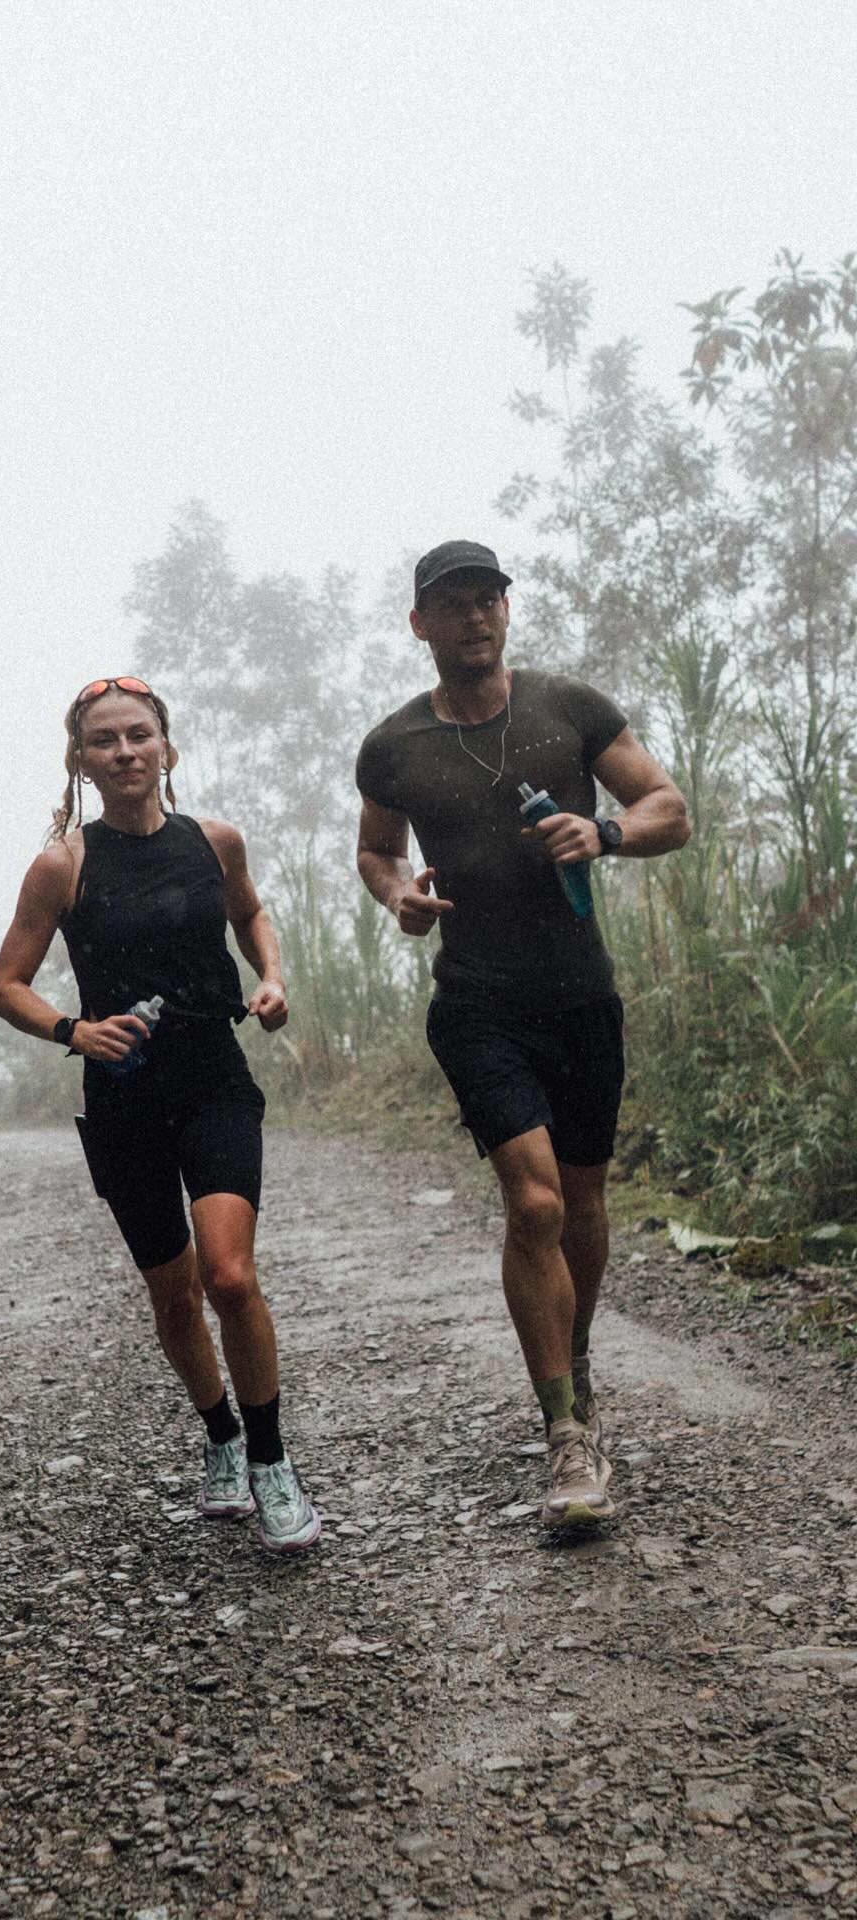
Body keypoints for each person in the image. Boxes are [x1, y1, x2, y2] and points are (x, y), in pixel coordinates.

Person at [355, 543, 690, 1531]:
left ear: (507, 609)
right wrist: (399, 895)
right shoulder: (393, 747)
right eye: (451, 607)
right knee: (535, 1200)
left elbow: (667, 807)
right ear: (419, 624)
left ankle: (574, 1366)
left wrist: (608, 834)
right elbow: (377, 851)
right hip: (476, 1002)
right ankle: (565, 1436)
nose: (474, 620)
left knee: (583, 1203)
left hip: (581, 998)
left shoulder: (567, 707)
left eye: (487, 602)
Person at [0, 675, 319, 1554]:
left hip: (214, 1074)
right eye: (106, 740)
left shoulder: (214, 842)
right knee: (173, 1297)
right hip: (124, 1094)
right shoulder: (65, 863)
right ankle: (218, 1435)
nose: (126, 751)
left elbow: (250, 913)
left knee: (230, 1276)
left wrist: (272, 978)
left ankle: (272, 1460)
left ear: (167, 748)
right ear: (82, 761)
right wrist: (73, 1030)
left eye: (140, 735)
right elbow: (6, 987)